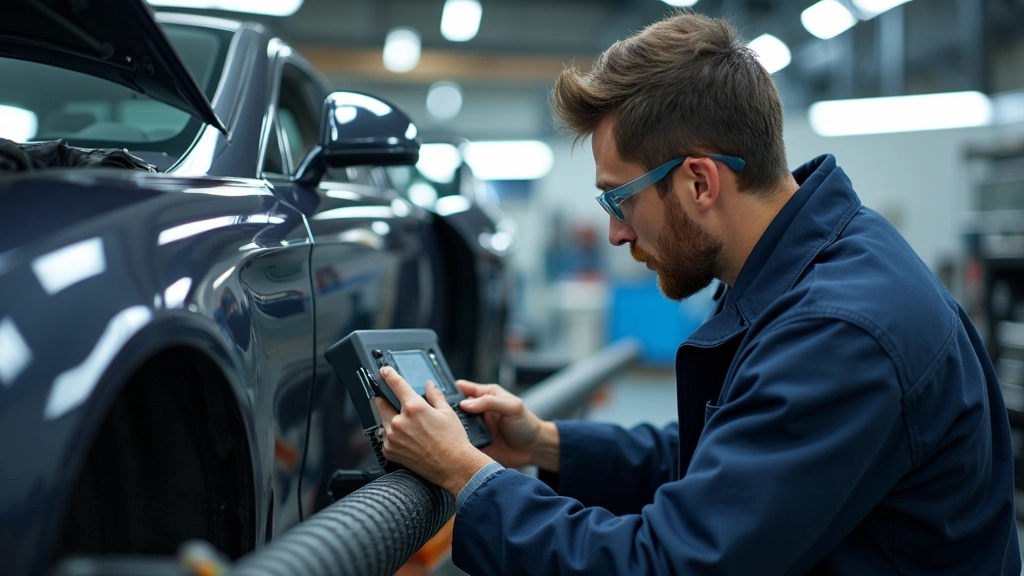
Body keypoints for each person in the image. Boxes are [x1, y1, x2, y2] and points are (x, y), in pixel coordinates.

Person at [373, 11, 1021, 575]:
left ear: (699, 184)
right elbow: (731, 460)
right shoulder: (818, 264)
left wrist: (468, 475)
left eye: (618, 198)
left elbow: (668, 563)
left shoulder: (839, 331)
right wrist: (544, 442)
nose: (617, 232)